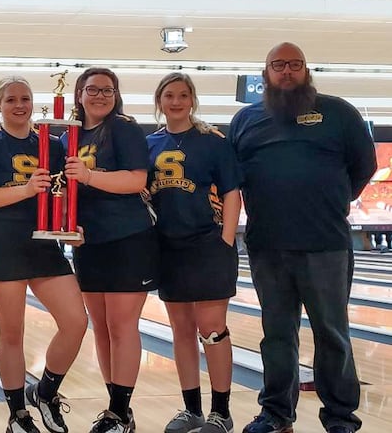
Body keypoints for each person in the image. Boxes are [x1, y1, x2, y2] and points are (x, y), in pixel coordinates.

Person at [228, 42, 377, 433]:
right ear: (266, 74)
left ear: (307, 70)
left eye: (295, 64)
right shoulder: (246, 121)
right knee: (276, 335)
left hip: (326, 244)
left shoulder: (338, 112)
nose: (287, 71)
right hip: (268, 245)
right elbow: (232, 177)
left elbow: (364, 166)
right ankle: (276, 414)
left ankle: (341, 418)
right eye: (279, 65)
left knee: (333, 334)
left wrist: (329, 200)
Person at [0, 76, 88, 433]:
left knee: (76, 322)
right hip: (3, 243)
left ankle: (46, 391)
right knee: (12, 333)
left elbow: (63, 195)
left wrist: (71, 227)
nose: (19, 105)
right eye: (11, 99)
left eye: (25, 98)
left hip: (44, 245)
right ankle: (18, 414)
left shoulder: (50, 142)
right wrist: (24, 190)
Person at [62, 67, 158, 433]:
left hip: (128, 238)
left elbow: (136, 179)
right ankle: (119, 410)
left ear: (116, 95)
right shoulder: (69, 137)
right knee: (101, 329)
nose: (100, 95)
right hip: (90, 243)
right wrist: (69, 227)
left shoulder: (124, 128)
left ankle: (118, 412)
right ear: (79, 94)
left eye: (108, 89)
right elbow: (65, 190)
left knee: (121, 325)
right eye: (93, 89)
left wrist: (88, 176)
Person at [146, 72, 242, 433]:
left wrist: (226, 241)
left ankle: (221, 412)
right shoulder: (149, 144)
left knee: (212, 329)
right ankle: (192, 411)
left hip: (208, 244)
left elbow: (232, 192)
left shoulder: (212, 141)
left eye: (183, 95)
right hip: (168, 248)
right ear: (159, 101)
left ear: (192, 100)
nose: (176, 101)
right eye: (169, 95)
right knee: (181, 330)